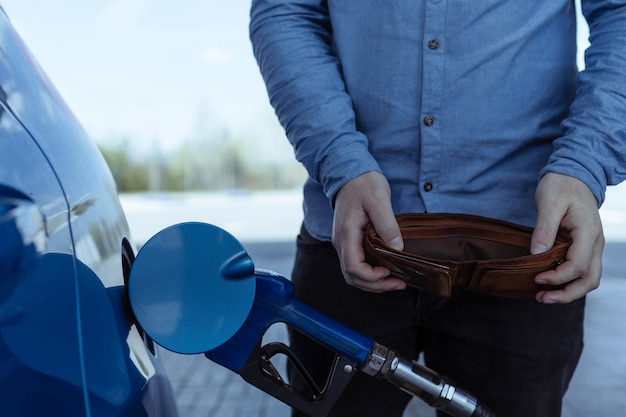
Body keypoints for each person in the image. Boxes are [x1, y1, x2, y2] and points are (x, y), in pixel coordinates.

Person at [249, 1, 625, 416]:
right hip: (352, 238)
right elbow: (286, 11)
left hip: (522, 254)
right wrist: (340, 163)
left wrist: (582, 166)